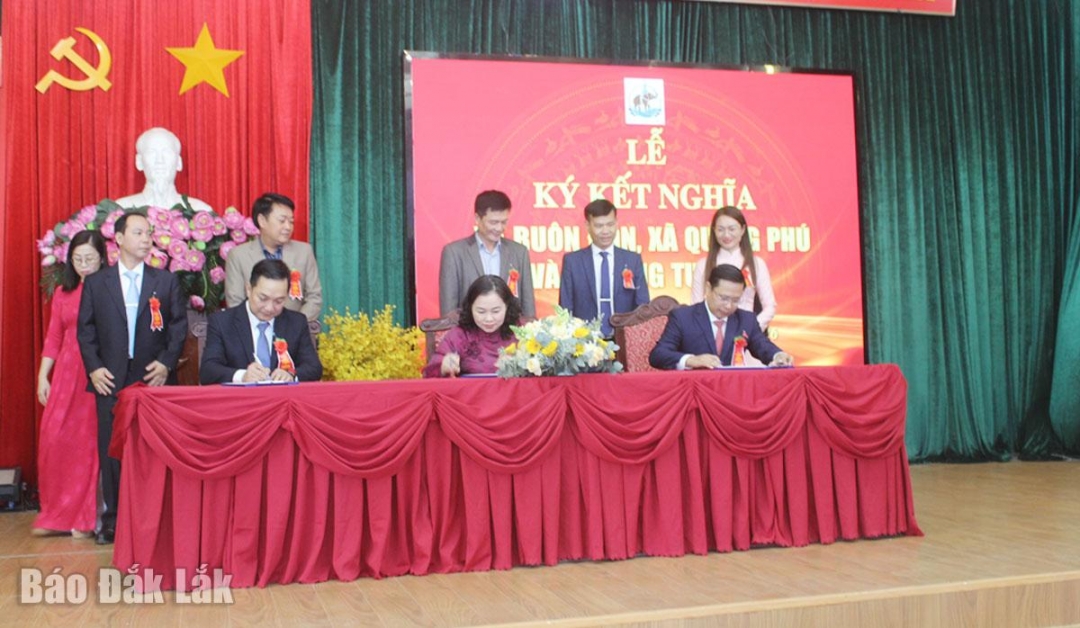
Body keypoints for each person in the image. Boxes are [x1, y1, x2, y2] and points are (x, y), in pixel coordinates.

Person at [77, 212, 188, 544]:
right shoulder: (97, 283)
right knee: (111, 450)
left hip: (152, 378)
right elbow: (86, 330)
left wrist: (166, 364)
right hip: (109, 378)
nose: (146, 238)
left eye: (148, 233)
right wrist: (94, 368)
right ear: (119, 238)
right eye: (138, 232)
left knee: (154, 447)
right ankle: (113, 520)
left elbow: (178, 327)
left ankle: (157, 515)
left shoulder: (165, 281)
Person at [32, 231, 107, 539]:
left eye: (90, 258)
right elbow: (54, 336)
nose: (84, 265)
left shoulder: (109, 290)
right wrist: (43, 375)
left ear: (102, 258)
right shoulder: (64, 293)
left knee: (87, 444)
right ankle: (56, 513)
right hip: (66, 373)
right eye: (77, 259)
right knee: (55, 439)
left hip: (95, 373)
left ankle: (86, 517)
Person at [650, 264, 794, 370]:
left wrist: (778, 356)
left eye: (735, 300)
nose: (729, 306)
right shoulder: (683, 317)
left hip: (732, 391)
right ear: (708, 289)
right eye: (723, 298)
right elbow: (658, 355)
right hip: (694, 391)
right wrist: (691, 360)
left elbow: (762, 345)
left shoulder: (746, 319)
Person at [201, 259, 323, 384]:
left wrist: (291, 374)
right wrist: (242, 376)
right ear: (249, 289)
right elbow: (208, 370)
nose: (269, 308)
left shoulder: (296, 323)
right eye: (263, 298)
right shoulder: (222, 322)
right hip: (240, 396)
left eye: (279, 301)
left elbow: (314, 368)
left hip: (282, 395)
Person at [224, 193, 323, 320]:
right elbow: (235, 302)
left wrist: (296, 325)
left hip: (294, 328)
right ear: (262, 221)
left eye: (291, 222)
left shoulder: (304, 252)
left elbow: (314, 297)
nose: (288, 227)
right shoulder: (238, 255)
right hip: (253, 329)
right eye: (282, 221)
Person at [559, 199, 650, 336]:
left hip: (625, 338)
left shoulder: (632, 260)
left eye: (610, 224)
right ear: (587, 226)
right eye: (599, 226)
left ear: (617, 223)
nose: (606, 231)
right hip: (585, 341)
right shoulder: (573, 262)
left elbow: (643, 306)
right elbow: (565, 308)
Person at [439, 190, 535, 318]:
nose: (499, 228)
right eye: (493, 222)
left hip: (510, 330)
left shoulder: (519, 252)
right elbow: (449, 311)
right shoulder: (454, 253)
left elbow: (528, 309)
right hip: (468, 329)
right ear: (477, 219)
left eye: (504, 222)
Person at [690, 206, 777, 331]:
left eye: (732, 229)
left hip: (745, 335)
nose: (726, 235)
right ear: (714, 231)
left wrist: (750, 330)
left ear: (742, 230)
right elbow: (695, 307)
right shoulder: (703, 265)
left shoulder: (756, 264)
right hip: (712, 333)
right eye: (720, 229)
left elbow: (770, 306)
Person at [423, 275, 521, 378]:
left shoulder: (522, 333)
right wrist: (443, 366)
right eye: (481, 311)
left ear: (507, 307)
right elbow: (429, 374)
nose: (489, 319)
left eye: (496, 311)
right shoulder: (459, 335)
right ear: (470, 308)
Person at [114, 127, 213, 211]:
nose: (160, 160)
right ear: (139, 162)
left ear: (179, 162)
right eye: (151, 152)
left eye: (167, 152)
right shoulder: (122, 209)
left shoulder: (200, 211)